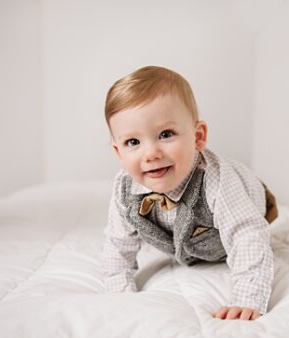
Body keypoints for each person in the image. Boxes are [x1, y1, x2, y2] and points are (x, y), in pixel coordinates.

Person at [100, 65, 278, 321]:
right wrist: (121, 296)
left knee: (244, 220)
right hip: (188, 244)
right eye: (133, 142)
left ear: (198, 137)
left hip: (245, 201)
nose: (151, 154)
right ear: (118, 152)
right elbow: (117, 246)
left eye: (165, 134)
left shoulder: (216, 180)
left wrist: (248, 297)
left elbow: (247, 234)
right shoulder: (124, 189)